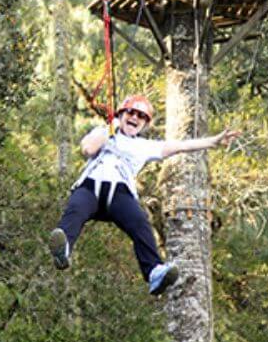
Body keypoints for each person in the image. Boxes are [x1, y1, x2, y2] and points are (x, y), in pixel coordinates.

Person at [49, 94, 240, 296]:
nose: (135, 118)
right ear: (121, 114)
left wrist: (213, 141)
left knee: (140, 224)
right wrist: (111, 127)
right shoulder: (104, 132)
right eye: (131, 112)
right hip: (91, 187)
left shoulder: (144, 146)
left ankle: (154, 272)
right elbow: (88, 149)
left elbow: (182, 146)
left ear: (145, 124)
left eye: (141, 116)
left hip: (119, 194)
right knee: (75, 209)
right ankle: (64, 249)